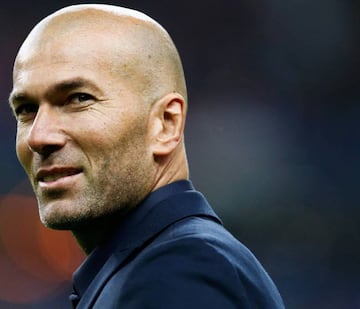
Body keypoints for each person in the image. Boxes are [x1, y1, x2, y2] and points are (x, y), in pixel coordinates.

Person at [9, 4, 284, 308]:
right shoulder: (145, 268)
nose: (39, 136)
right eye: (26, 109)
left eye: (78, 99)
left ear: (166, 123)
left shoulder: (179, 271)